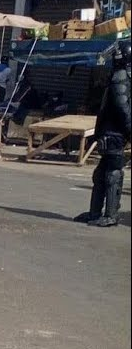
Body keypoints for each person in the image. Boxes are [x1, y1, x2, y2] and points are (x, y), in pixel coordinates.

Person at [74, 40, 129, 226]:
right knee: (101, 173)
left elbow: (122, 108)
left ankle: (110, 215)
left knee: (113, 173)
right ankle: (95, 212)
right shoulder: (119, 75)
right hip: (110, 131)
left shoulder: (121, 77)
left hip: (115, 133)